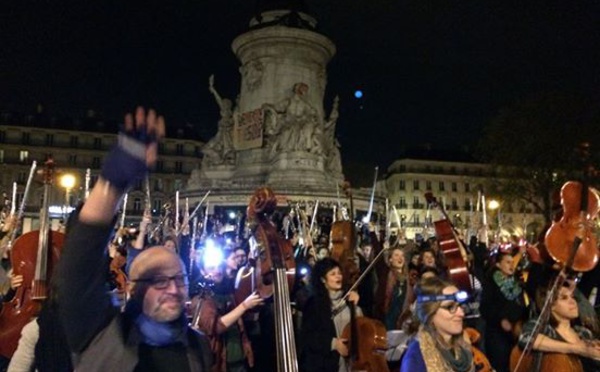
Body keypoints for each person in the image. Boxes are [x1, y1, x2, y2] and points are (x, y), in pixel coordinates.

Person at [56, 107, 212, 371]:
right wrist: (112, 182)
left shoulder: (200, 347)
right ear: (132, 288)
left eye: (179, 279)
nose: (174, 290)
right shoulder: (99, 332)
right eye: (159, 281)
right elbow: (80, 260)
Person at [514, 281, 600, 371]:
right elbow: (526, 338)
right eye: (564, 298)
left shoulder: (584, 333)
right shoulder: (545, 327)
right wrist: (576, 349)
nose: (572, 302)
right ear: (551, 306)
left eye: (572, 297)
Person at [400, 277, 475, 372]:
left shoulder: (463, 349)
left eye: (459, 306)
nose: (461, 313)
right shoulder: (415, 358)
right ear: (430, 314)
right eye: (450, 307)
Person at [299, 257, 361, 372]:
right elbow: (308, 336)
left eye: (339, 273)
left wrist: (355, 306)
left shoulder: (348, 299)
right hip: (326, 364)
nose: (338, 276)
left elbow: (360, 326)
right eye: (333, 274)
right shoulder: (313, 304)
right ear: (323, 279)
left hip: (351, 362)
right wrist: (334, 344)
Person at [481, 250, 527, 372]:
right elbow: (485, 308)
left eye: (512, 262)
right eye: (507, 262)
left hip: (515, 333)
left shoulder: (516, 283)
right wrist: (501, 320)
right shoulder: (491, 283)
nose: (511, 265)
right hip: (497, 336)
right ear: (498, 265)